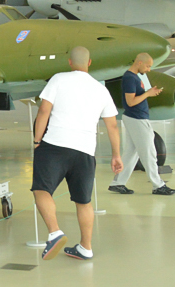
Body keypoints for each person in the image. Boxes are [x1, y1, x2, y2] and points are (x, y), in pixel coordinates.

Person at [31, 46, 122, 261]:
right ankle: (86, 247)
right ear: (89, 63)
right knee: (84, 201)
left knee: (41, 190)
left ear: (70, 62)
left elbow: (44, 110)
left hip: (55, 144)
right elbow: (112, 126)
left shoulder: (59, 79)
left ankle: (55, 233)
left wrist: (37, 141)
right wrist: (116, 155)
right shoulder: (101, 90)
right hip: (85, 151)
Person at [107, 53, 175, 196]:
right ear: (139, 63)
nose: (149, 69)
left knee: (132, 154)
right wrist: (148, 94)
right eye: (148, 66)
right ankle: (158, 185)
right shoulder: (130, 78)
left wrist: (149, 93)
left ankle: (118, 183)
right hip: (136, 118)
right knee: (149, 152)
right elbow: (131, 102)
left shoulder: (134, 77)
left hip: (137, 118)